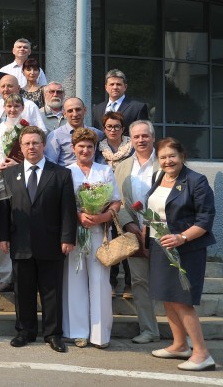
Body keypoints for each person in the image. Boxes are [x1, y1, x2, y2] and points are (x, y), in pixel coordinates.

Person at [0, 126, 77, 353]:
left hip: (52, 242)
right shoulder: (9, 174)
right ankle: (25, 330)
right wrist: (2, 236)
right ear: (20, 148)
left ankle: (52, 334)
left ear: (43, 145)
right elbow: (4, 208)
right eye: (27, 144)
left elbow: (67, 210)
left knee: (52, 291)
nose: (31, 147)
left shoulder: (60, 174)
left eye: (35, 143)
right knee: (23, 290)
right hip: (19, 241)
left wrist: (67, 238)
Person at [145, 138, 216, 371]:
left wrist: (182, 237)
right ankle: (179, 345)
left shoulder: (196, 181)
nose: (167, 161)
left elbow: (205, 220)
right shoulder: (159, 177)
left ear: (182, 156)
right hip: (160, 245)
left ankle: (202, 353)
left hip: (186, 248)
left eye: (172, 156)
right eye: (163, 157)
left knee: (183, 301)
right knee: (167, 296)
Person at [63, 128, 120, 349]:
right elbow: (63, 204)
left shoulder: (105, 171)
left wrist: (101, 216)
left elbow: (115, 201)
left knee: (99, 281)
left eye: (89, 146)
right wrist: (79, 215)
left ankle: (100, 334)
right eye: (81, 146)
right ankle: (78, 331)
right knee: (74, 280)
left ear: (95, 149)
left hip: (99, 232)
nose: (85, 150)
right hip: (75, 231)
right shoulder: (65, 172)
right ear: (73, 148)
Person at [114, 120, 160, 344]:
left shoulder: (165, 162)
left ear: (153, 137)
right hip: (134, 233)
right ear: (130, 140)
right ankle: (149, 330)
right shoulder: (122, 167)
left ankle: (182, 333)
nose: (141, 140)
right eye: (136, 137)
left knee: (170, 283)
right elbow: (118, 201)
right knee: (140, 282)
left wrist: (154, 226)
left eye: (145, 136)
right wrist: (129, 226)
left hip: (163, 232)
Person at [0, 94, 28, 293]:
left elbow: (37, 155)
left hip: (21, 181)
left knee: (20, 225)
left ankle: (22, 275)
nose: (12, 109)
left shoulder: (27, 130)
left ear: (23, 107)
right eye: (9, 106)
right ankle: (4, 277)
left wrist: (18, 164)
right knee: (1, 227)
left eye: (16, 105)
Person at [45, 97, 103, 167]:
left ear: (85, 110)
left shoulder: (97, 133)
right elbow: (50, 164)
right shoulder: (55, 136)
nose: (75, 114)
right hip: (67, 176)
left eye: (78, 109)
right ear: (64, 114)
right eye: (70, 111)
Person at [92, 69, 149, 135]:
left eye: (118, 84)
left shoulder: (137, 108)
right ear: (106, 87)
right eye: (112, 84)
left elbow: (143, 133)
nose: (115, 87)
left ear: (125, 87)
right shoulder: (97, 109)